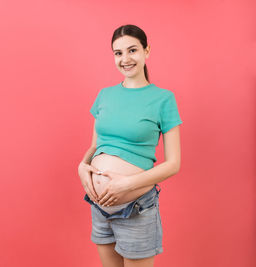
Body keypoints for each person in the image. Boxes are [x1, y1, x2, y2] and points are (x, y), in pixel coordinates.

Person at [77, 24, 183, 267]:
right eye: (118, 53)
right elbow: (95, 146)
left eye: (132, 50)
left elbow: (174, 164)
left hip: (137, 208)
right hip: (99, 205)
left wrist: (125, 184)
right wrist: (82, 166)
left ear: (146, 51)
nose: (125, 59)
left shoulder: (163, 99)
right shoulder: (104, 95)